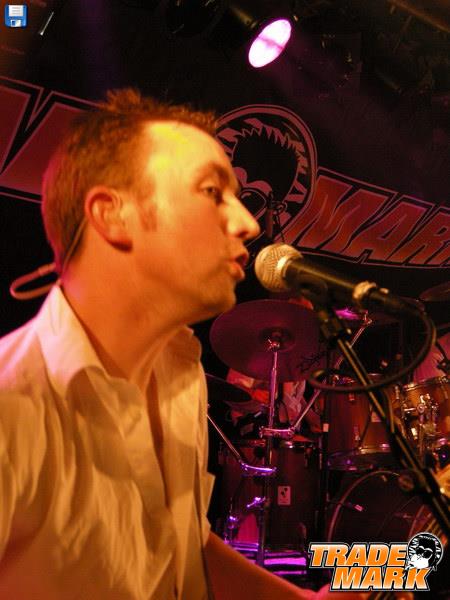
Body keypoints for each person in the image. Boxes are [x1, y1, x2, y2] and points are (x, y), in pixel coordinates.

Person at [0, 88, 365, 599]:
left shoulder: (180, 372)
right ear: (112, 215)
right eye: (213, 191)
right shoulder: (13, 404)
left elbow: (183, 543)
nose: (249, 224)